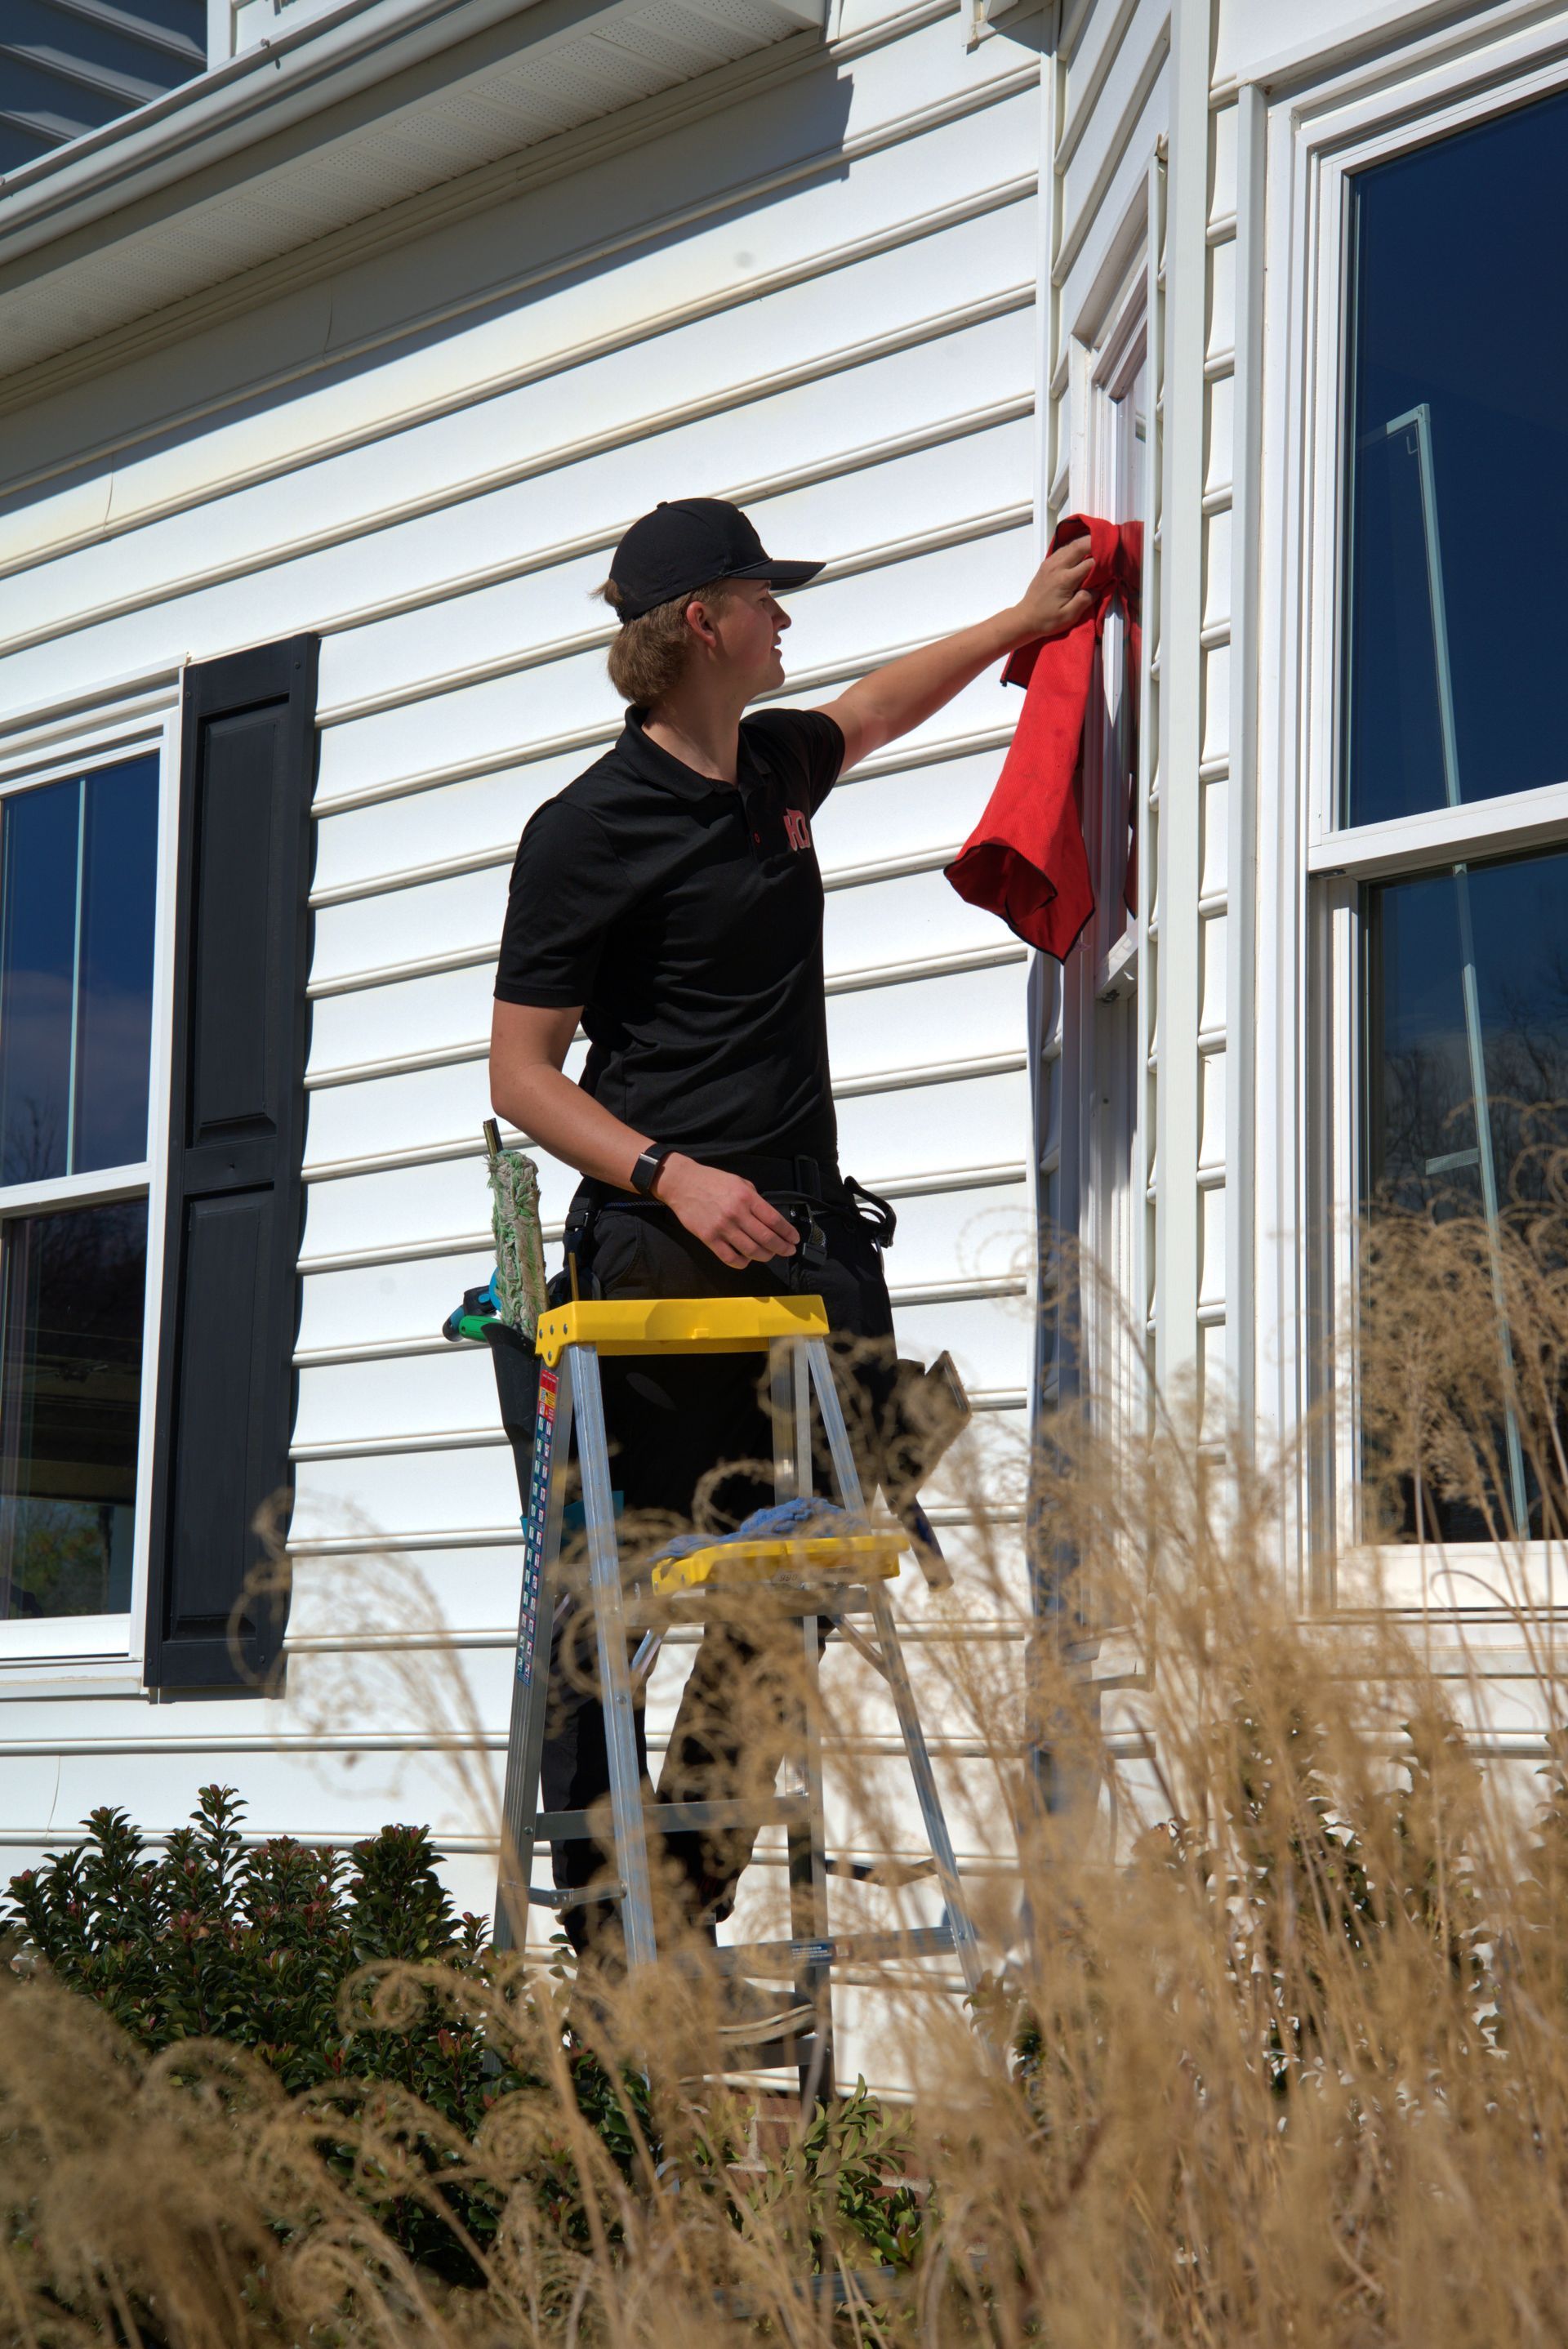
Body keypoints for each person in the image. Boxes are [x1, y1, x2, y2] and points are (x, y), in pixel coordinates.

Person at [488, 496, 1092, 2027]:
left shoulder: (769, 771)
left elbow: (877, 705)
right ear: (702, 621)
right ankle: (612, 1946)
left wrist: (1026, 623)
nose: (788, 622)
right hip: (657, 1266)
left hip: (809, 1258)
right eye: (768, 599)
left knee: (808, 1570)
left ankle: (680, 1916)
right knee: (611, 1603)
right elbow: (522, 1073)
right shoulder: (584, 830)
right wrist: (672, 1175)